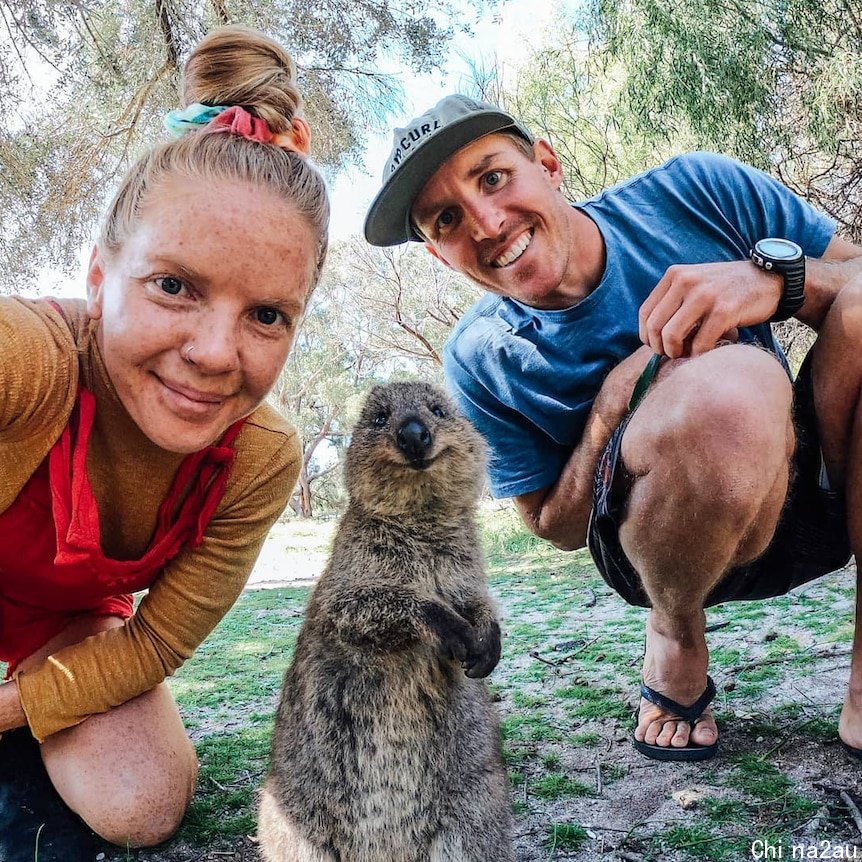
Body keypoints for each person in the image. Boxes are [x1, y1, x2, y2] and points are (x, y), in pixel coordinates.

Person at [364, 94, 862, 762]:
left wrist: (779, 283)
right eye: (447, 218)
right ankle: (676, 631)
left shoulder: (699, 191)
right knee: (734, 388)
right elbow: (555, 526)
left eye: (493, 177)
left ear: (548, 163)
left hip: (816, 491)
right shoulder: (479, 357)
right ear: (439, 256)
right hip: (661, 550)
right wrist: (612, 405)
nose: (486, 222)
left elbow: (853, 279)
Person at [0, 25, 329, 851]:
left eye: (266, 315)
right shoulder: (28, 362)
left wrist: (16, 706)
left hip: (58, 628)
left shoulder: (258, 456)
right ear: (100, 277)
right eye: (174, 285)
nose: (216, 356)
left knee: (142, 803)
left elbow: (155, 640)